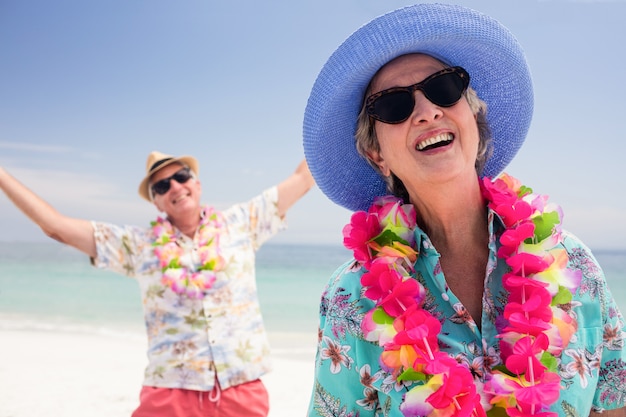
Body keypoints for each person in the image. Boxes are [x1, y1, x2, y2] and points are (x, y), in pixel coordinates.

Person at [302, 4, 625, 417]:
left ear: (473, 113)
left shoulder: (570, 263)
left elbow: (614, 405)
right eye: (393, 106)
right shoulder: (351, 297)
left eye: (444, 88)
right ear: (376, 154)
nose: (428, 111)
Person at [0, 150, 315, 417]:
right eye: (162, 185)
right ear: (157, 203)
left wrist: (341, 110)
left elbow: (303, 178)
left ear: (197, 183)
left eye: (182, 176)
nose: (175, 186)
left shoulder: (242, 223)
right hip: (169, 395)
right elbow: (56, 227)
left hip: (241, 389)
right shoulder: (139, 245)